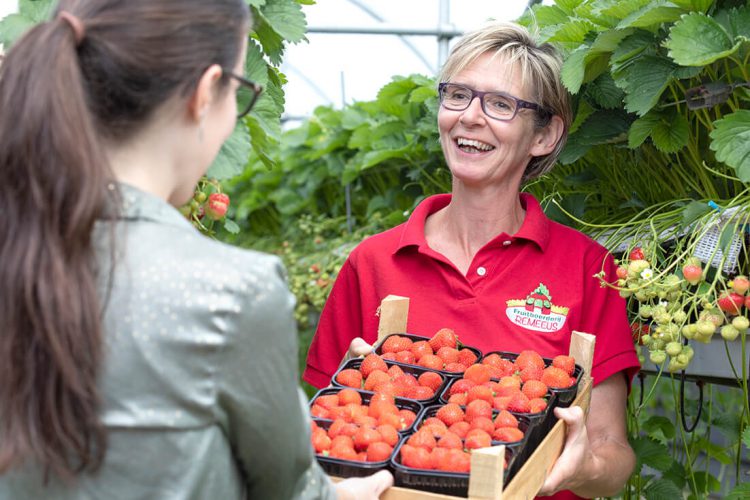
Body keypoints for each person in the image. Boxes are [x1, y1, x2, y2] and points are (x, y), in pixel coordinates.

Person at [0, 1, 392, 499]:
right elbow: (288, 491)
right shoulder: (232, 293)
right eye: (240, 93)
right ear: (206, 94)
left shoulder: (20, 243)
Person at [304, 21, 640, 499]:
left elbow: (614, 453)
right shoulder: (373, 262)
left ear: (544, 136)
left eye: (501, 104)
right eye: (458, 94)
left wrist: (583, 464)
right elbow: (323, 431)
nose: (470, 117)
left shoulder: (588, 269)